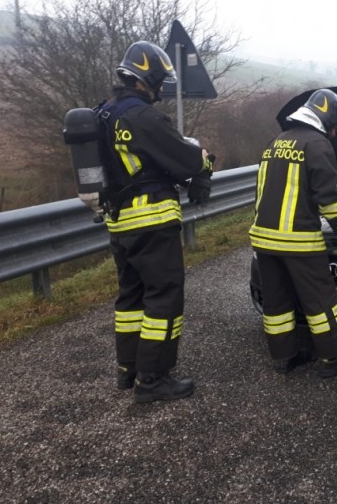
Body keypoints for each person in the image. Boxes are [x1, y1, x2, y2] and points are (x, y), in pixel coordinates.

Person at [102, 41, 214, 403]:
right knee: (163, 297)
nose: (162, 88)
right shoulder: (144, 117)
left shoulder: (103, 113)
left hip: (120, 224)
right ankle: (153, 380)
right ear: (147, 76)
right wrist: (205, 161)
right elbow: (187, 161)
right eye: (160, 79)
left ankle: (128, 370)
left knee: (131, 298)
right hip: (151, 219)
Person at [249, 88, 337, 378]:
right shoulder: (317, 144)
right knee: (321, 302)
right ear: (326, 119)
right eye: (335, 128)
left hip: (264, 240)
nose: (334, 134)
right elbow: (328, 197)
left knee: (277, 303)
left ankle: (284, 356)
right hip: (299, 241)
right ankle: (334, 358)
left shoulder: (276, 142)